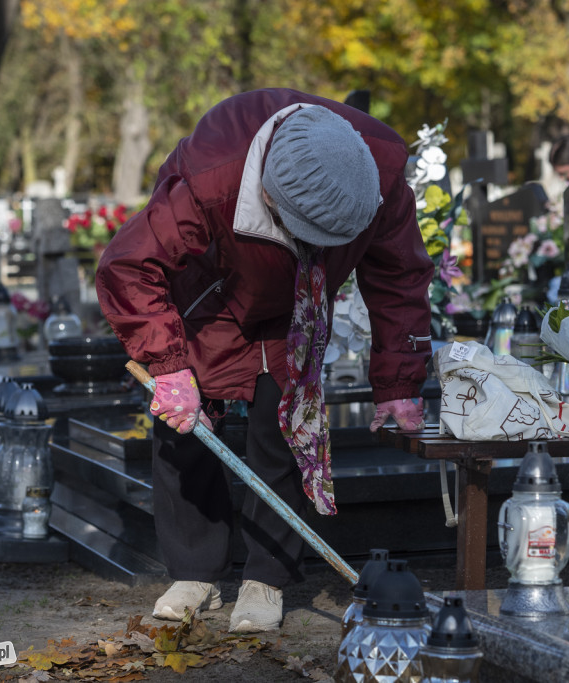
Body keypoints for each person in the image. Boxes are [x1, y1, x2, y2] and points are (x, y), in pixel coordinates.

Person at [95, 88, 433, 633]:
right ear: (271, 197)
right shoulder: (211, 175)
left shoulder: (383, 172)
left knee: (284, 428)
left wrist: (398, 381)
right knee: (185, 426)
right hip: (210, 287)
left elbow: (399, 278)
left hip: (301, 298)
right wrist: (168, 367)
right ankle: (194, 571)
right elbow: (128, 265)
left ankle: (266, 576)